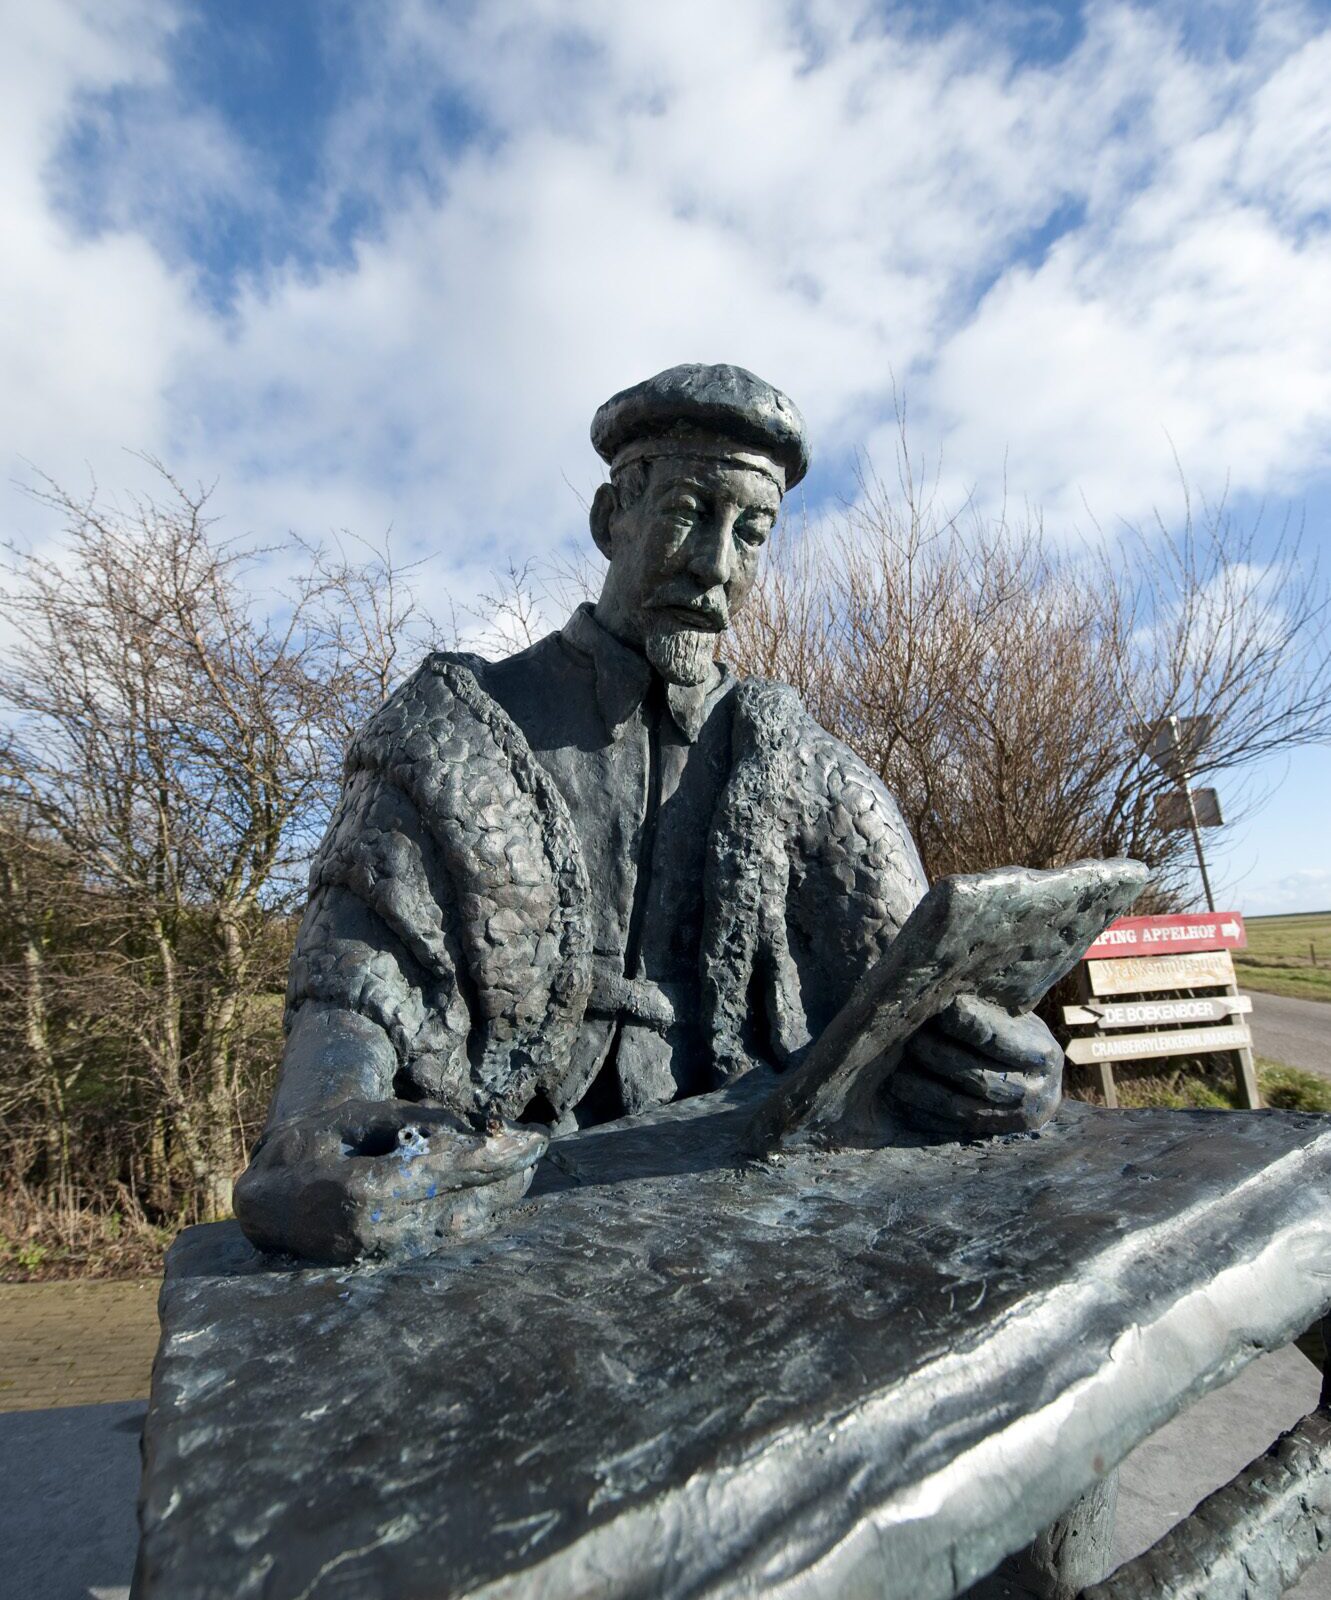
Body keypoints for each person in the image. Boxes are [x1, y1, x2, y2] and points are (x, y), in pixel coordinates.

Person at [235, 364, 1062, 1263]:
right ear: (608, 520)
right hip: (517, 1172)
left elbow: (906, 977)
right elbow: (358, 962)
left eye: (751, 534)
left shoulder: (796, 758)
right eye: (685, 514)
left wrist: (1004, 1062)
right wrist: (326, 1110)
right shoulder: (456, 732)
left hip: (738, 1171)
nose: (714, 566)